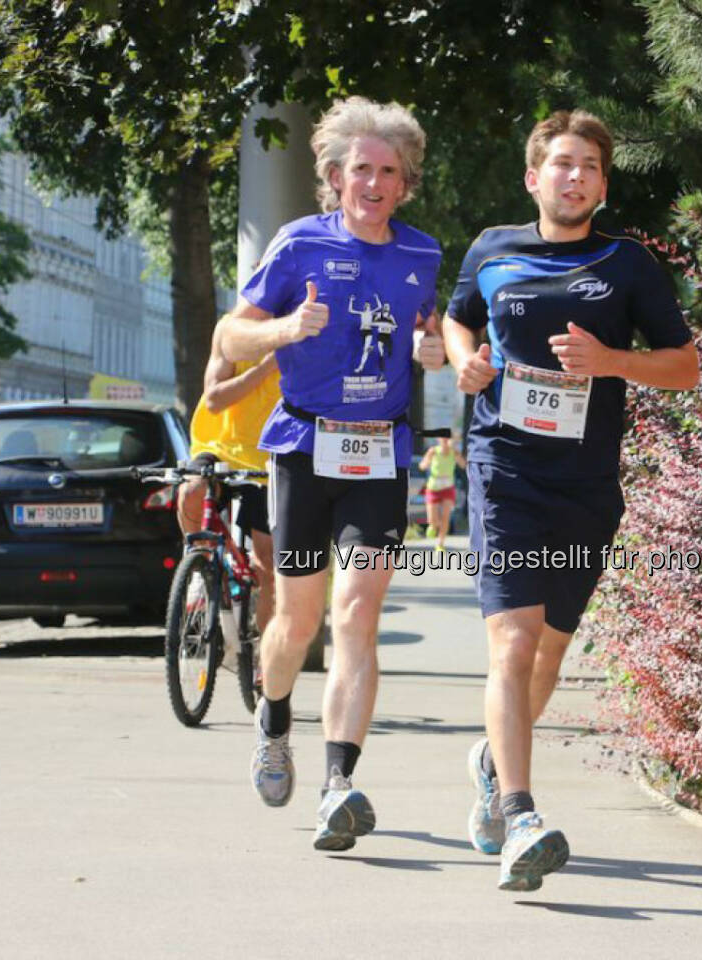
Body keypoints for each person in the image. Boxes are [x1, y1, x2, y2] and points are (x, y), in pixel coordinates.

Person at [442, 110, 700, 890]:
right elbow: (459, 322)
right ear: (534, 177)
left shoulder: (630, 264)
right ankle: (521, 814)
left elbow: (684, 366)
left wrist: (610, 359)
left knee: (549, 654)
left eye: (589, 165)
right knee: (512, 646)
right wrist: (466, 364)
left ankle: (491, 762)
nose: (575, 176)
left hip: (587, 485)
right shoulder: (493, 248)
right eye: (561, 163)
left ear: (603, 185)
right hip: (504, 468)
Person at [218, 96, 446, 852]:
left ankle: (338, 784)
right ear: (335, 175)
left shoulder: (421, 255)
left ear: (405, 183)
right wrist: (287, 329)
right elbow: (230, 333)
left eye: (389, 172)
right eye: (361, 170)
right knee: (296, 623)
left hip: (380, 452)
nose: (374, 184)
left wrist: (432, 352)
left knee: (356, 617)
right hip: (306, 449)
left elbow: (429, 332)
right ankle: (274, 717)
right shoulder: (297, 244)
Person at [179, 331, 280, 642]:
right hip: (218, 447)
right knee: (191, 491)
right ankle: (201, 569)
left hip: (268, 456)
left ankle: (266, 658)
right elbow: (214, 399)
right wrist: (265, 367)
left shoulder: (303, 335)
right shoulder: (232, 332)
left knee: (268, 567)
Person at [418, 433, 465, 551]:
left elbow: (463, 465)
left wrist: (458, 454)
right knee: (432, 519)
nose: (445, 440)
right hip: (433, 488)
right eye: (443, 437)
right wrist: (426, 463)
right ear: (438, 439)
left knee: (445, 517)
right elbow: (422, 466)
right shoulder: (433, 451)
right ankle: (433, 525)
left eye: (447, 438)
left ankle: (440, 543)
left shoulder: (454, 452)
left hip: (448, 489)